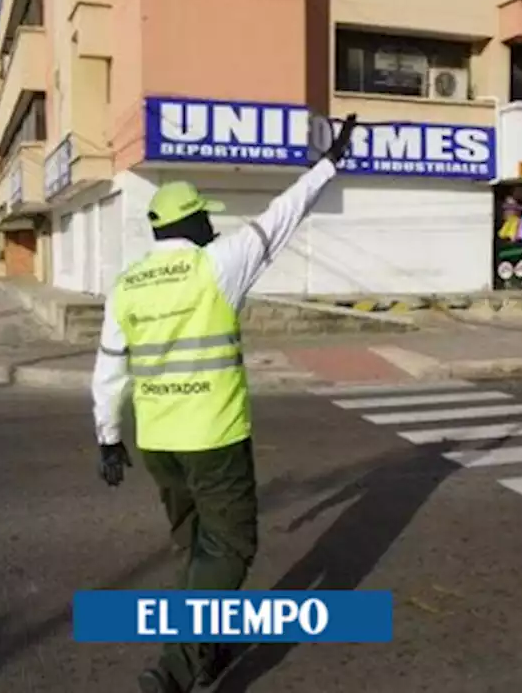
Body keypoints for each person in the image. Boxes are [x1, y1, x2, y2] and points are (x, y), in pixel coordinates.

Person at [91, 114, 359, 693]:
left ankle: (207, 650)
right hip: (212, 438)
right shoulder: (219, 265)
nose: (214, 222)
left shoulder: (127, 284)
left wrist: (108, 438)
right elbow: (282, 216)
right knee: (231, 546)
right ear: (192, 220)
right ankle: (175, 669)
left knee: (195, 545)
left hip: (158, 442)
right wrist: (329, 165)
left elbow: (109, 369)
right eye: (206, 215)